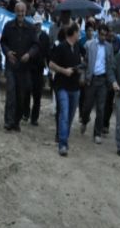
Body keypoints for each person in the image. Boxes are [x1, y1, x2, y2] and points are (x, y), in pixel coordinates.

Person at [0, 2, 39, 132]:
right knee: (11, 93)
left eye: (23, 11)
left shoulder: (31, 27)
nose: (20, 13)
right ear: (15, 12)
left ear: (25, 12)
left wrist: (29, 54)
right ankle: (8, 121)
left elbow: (36, 45)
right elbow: (3, 42)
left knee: (21, 96)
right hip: (11, 65)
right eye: (18, 11)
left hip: (25, 67)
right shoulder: (8, 26)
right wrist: (7, 52)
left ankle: (16, 122)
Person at [49, 23, 83, 156]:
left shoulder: (77, 47)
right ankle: (63, 144)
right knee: (64, 113)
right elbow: (51, 64)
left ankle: (63, 137)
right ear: (73, 32)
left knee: (70, 115)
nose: (79, 34)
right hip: (62, 85)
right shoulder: (61, 46)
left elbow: (78, 63)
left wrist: (78, 70)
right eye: (78, 32)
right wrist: (64, 71)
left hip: (75, 86)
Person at [80, 23, 114, 144]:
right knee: (87, 106)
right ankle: (84, 120)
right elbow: (85, 62)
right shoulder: (89, 45)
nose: (103, 37)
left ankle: (97, 133)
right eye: (102, 34)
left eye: (105, 35)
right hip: (92, 79)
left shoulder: (109, 47)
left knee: (101, 108)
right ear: (98, 33)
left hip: (103, 80)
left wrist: (111, 81)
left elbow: (110, 65)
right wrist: (83, 76)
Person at [24, 18, 51, 126]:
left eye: (38, 24)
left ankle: (34, 118)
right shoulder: (29, 35)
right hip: (29, 67)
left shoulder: (45, 37)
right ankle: (26, 113)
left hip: (39, 68)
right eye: (35, 25)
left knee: (37, 94)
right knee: (26, 91)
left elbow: (47, 52)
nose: (37, 26)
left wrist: (49, 67)